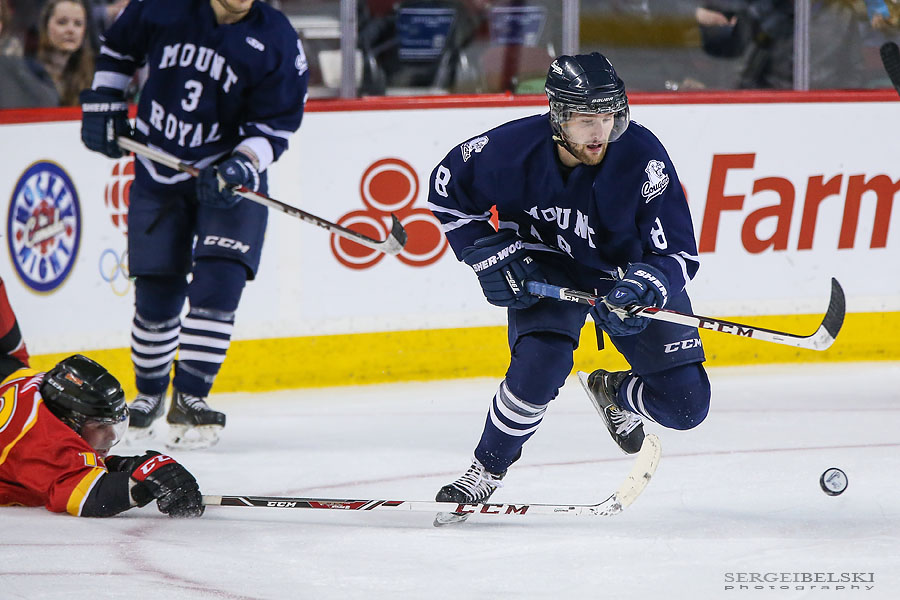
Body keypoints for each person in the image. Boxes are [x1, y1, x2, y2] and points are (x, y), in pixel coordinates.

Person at [426, 52, 710, 524]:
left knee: (687, 407)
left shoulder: (643, 158)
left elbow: (679, 254)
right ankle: (485, 471)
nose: (599, 132)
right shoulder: (509, 150)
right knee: (540, 365)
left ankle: (613, 391)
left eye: (608, 116)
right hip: (546, 266)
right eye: (584, 119)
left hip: (624, 276)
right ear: (558, 116)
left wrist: (644, 286)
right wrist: (488, 255)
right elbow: (445, 191)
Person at [79, 0, 309, 450]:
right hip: (158, 167)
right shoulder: (162, 7)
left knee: (221, 280)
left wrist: (243, 163)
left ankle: (191, 397)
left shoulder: (277, 37)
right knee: (156, 288)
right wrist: (105, 102)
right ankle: (148, 395)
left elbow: (277, 126)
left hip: (228, 175)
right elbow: (119, 49)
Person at [0, 276, 204, 518]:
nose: (111, 437)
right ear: (68, 423)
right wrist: (139, 486)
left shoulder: (38, 390)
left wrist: (130, 467)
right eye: (99, 426)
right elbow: (88, 497)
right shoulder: (42, 441)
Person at [35, 0, 94, 105]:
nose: (71, 30)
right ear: (45, 26)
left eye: (78, 24)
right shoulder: (28, 71)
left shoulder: (92, 76)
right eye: (62, 22)